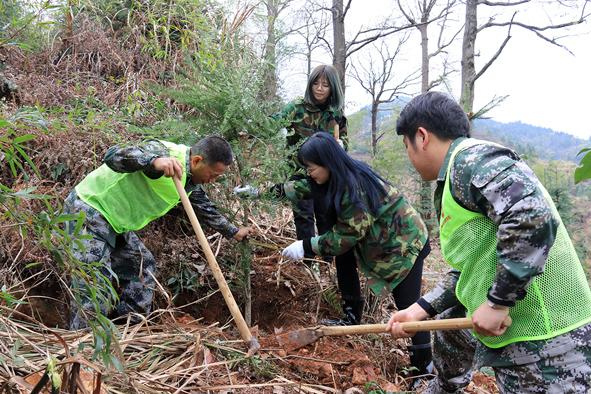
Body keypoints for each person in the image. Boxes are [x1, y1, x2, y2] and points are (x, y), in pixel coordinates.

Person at [388, 91, 591, 393]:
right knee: (449, 329)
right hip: (521, 336)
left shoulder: (471, 160)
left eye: (407, 146)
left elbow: (531, 216)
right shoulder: (457, 177)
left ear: (422, 137)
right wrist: (420, 309)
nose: (409, 157)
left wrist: (498, 302)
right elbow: (472, 269)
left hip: (549, 345)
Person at [274, 132, 433, 380]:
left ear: (328, 163)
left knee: (409, 308)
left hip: (404, 247)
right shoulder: (333, 178)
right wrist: (262, 192)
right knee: (344, 257)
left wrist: (307, 245)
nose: (310, 173)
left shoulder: (353, 187)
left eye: (312, 168)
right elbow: (304, 187)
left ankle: (424, 370)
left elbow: (347, 235)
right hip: (386, 244)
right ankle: (351, 316)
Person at [64, 136, 252, 330]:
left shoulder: (189, 182)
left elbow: (206, 210)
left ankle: (127, 329)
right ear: (197, 161)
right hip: (88, 210)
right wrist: (154, 161)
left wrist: (234, 232)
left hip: (115, 223)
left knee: (143, 268)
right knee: (94, 287)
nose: (212, 181)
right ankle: (84, 346)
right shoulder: (164, 153)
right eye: (213, 174)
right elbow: (113, 155)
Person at [273, 64, 362, 326]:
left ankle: (327, 263)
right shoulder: (297, 107)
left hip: (326, 178)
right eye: (316, 84)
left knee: (326, 218)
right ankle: (308, 263)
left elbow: (342, 147)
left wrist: (341, 145)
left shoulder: (336, 115)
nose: (320, 89)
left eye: (325, 85)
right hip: (300, 173)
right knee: (302, 216)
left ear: (332, 88)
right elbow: (274, 122)